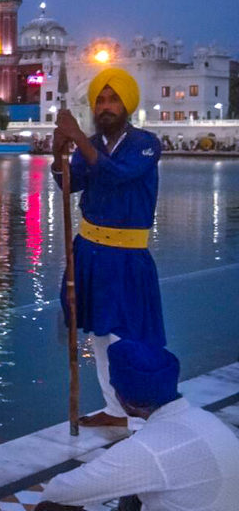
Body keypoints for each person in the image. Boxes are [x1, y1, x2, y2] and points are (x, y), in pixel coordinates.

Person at [33, 341, 239, 511]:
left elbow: (58, 492)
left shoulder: (148, 447)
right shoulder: (206, 421)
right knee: (138, 483)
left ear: (122, 397)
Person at [52, 66, 164, 428]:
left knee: (128, 336)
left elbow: (120, 176)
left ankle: (141, 413)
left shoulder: (145, 144)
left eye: (113, 99)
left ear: (127, 104)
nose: (105, 106)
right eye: (100, 99)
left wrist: (78, 139)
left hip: (127, 257)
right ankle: (115, 409)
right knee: (100, 334)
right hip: (91, 251)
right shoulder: (93, 146)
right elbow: (70, 186)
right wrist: (58, 154)